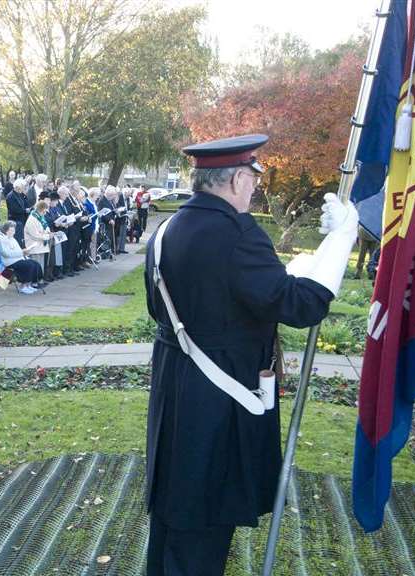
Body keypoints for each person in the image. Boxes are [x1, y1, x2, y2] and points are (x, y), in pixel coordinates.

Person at [144, 135, 356, 576]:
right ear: (239, 178)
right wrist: (343, 237)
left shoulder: (168, 229)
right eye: (253, 179)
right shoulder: (237, 234)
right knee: (203, 518)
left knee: (173, 513)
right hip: (219, 396)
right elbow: (302, 306)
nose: (254, 188)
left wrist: (300, 266)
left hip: (175, 387)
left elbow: (228, 296)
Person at [0, 221, 44, 293]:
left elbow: (18, 250)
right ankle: (23, 286)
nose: (13, 232)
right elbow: (6, 254)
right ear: (6, 230)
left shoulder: (12, 238)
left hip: (18, 259)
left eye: (14, 230)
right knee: (28, 265)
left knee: (35, 263)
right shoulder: (0, 238)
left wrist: (25, 253)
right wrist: (22, 252)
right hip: (9, 261)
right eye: (11, 230)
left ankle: (30, 284)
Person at [24, 200, 53, 281]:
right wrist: (47, 236)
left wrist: (48, 232)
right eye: (44, 211)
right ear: (40, 209)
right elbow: (35, 235)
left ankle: (39, 280)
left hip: (41, 246)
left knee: (40, 264)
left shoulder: (40, 217)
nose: (45, 213)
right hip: (34, 245)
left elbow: (45, 227)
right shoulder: (32, 219)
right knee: (35, 265)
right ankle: (34, 281)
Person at [6, 178, 32, 247]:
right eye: (22, 187)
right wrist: (25, 210)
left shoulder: (20, 194)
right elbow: (13, 210)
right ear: (18, 187)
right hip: (15, 221)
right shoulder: (11, 196)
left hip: (21, 220)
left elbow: (26, 203)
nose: (23, 188)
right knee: (16, 240)